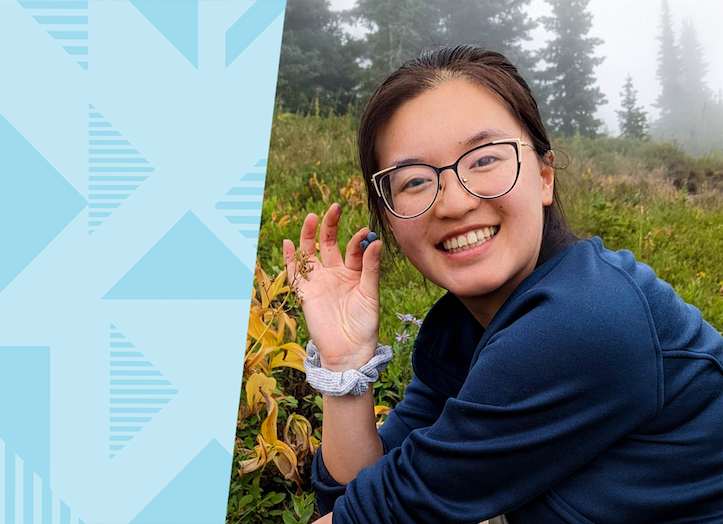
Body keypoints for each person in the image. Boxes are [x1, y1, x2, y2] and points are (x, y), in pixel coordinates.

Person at [282, 45, 723, 524]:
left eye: (484, 159)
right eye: (413, 181)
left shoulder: (588, 318)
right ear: (389, 219)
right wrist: (344, 367)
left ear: (545, 177)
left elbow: (377, 514)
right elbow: (357, 497)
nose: (452, 204)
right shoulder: (458, 331)